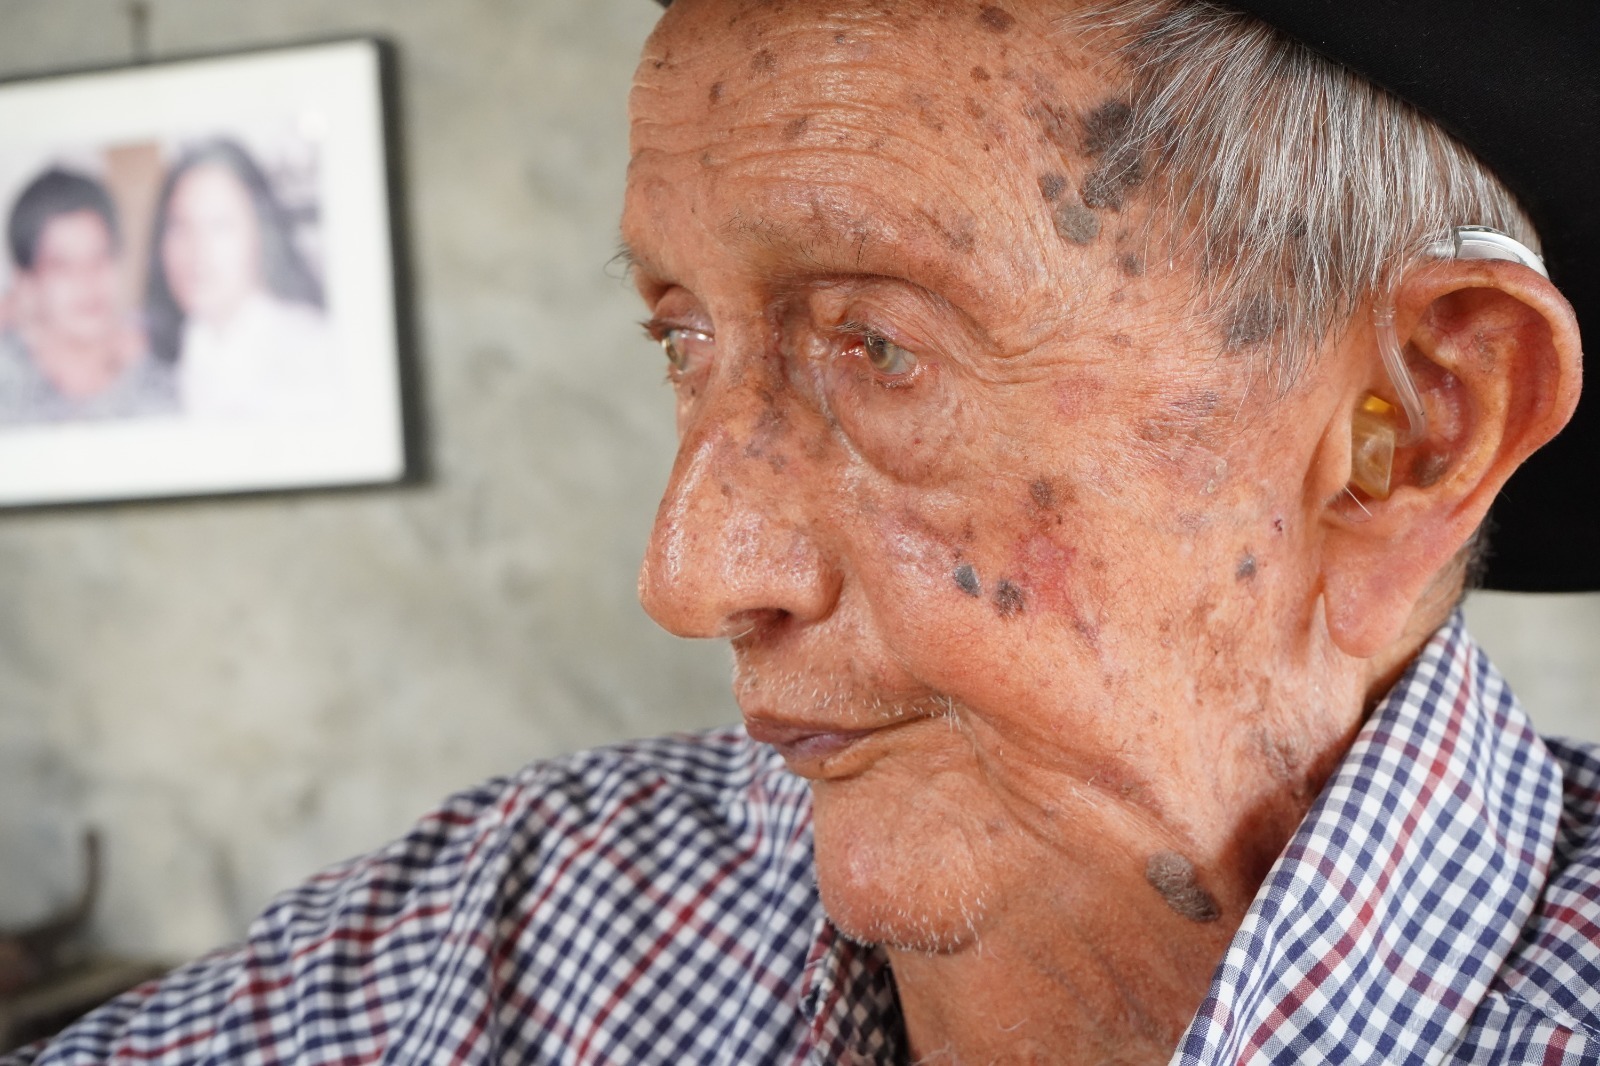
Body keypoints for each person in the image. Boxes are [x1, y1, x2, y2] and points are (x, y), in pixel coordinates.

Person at [6, 0, 1598, 1062]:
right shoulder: (522, 923)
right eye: (680, 336)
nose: (689, 571)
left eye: (879, 343)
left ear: (1415, 431)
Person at [146, 138, 336, 421]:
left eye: (219, 224)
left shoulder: (316, 356)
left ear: (261, 233)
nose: (197, 249)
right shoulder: (162, 363)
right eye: (180, 226)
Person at [0, 168, 175, 425]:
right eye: (62, 266)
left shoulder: (160, 380)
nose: (87, 281)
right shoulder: (9, 386)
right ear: (27, 283)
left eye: (99, 258)